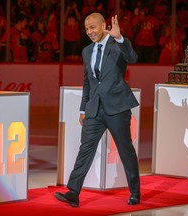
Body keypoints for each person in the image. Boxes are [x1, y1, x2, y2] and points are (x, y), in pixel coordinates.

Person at [54, 12, 140, 207]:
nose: (90, 32)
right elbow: (88, 82)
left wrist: (120, 38)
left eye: (93, 27)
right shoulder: (86, 51)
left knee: (126, 150)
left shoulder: (116, 45)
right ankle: (73, 192)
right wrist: (83, 109)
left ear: (103, 26)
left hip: (117, 108)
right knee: (85, 149)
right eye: (86, 29)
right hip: (94, 109)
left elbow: (133, 58)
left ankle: (135, 192)